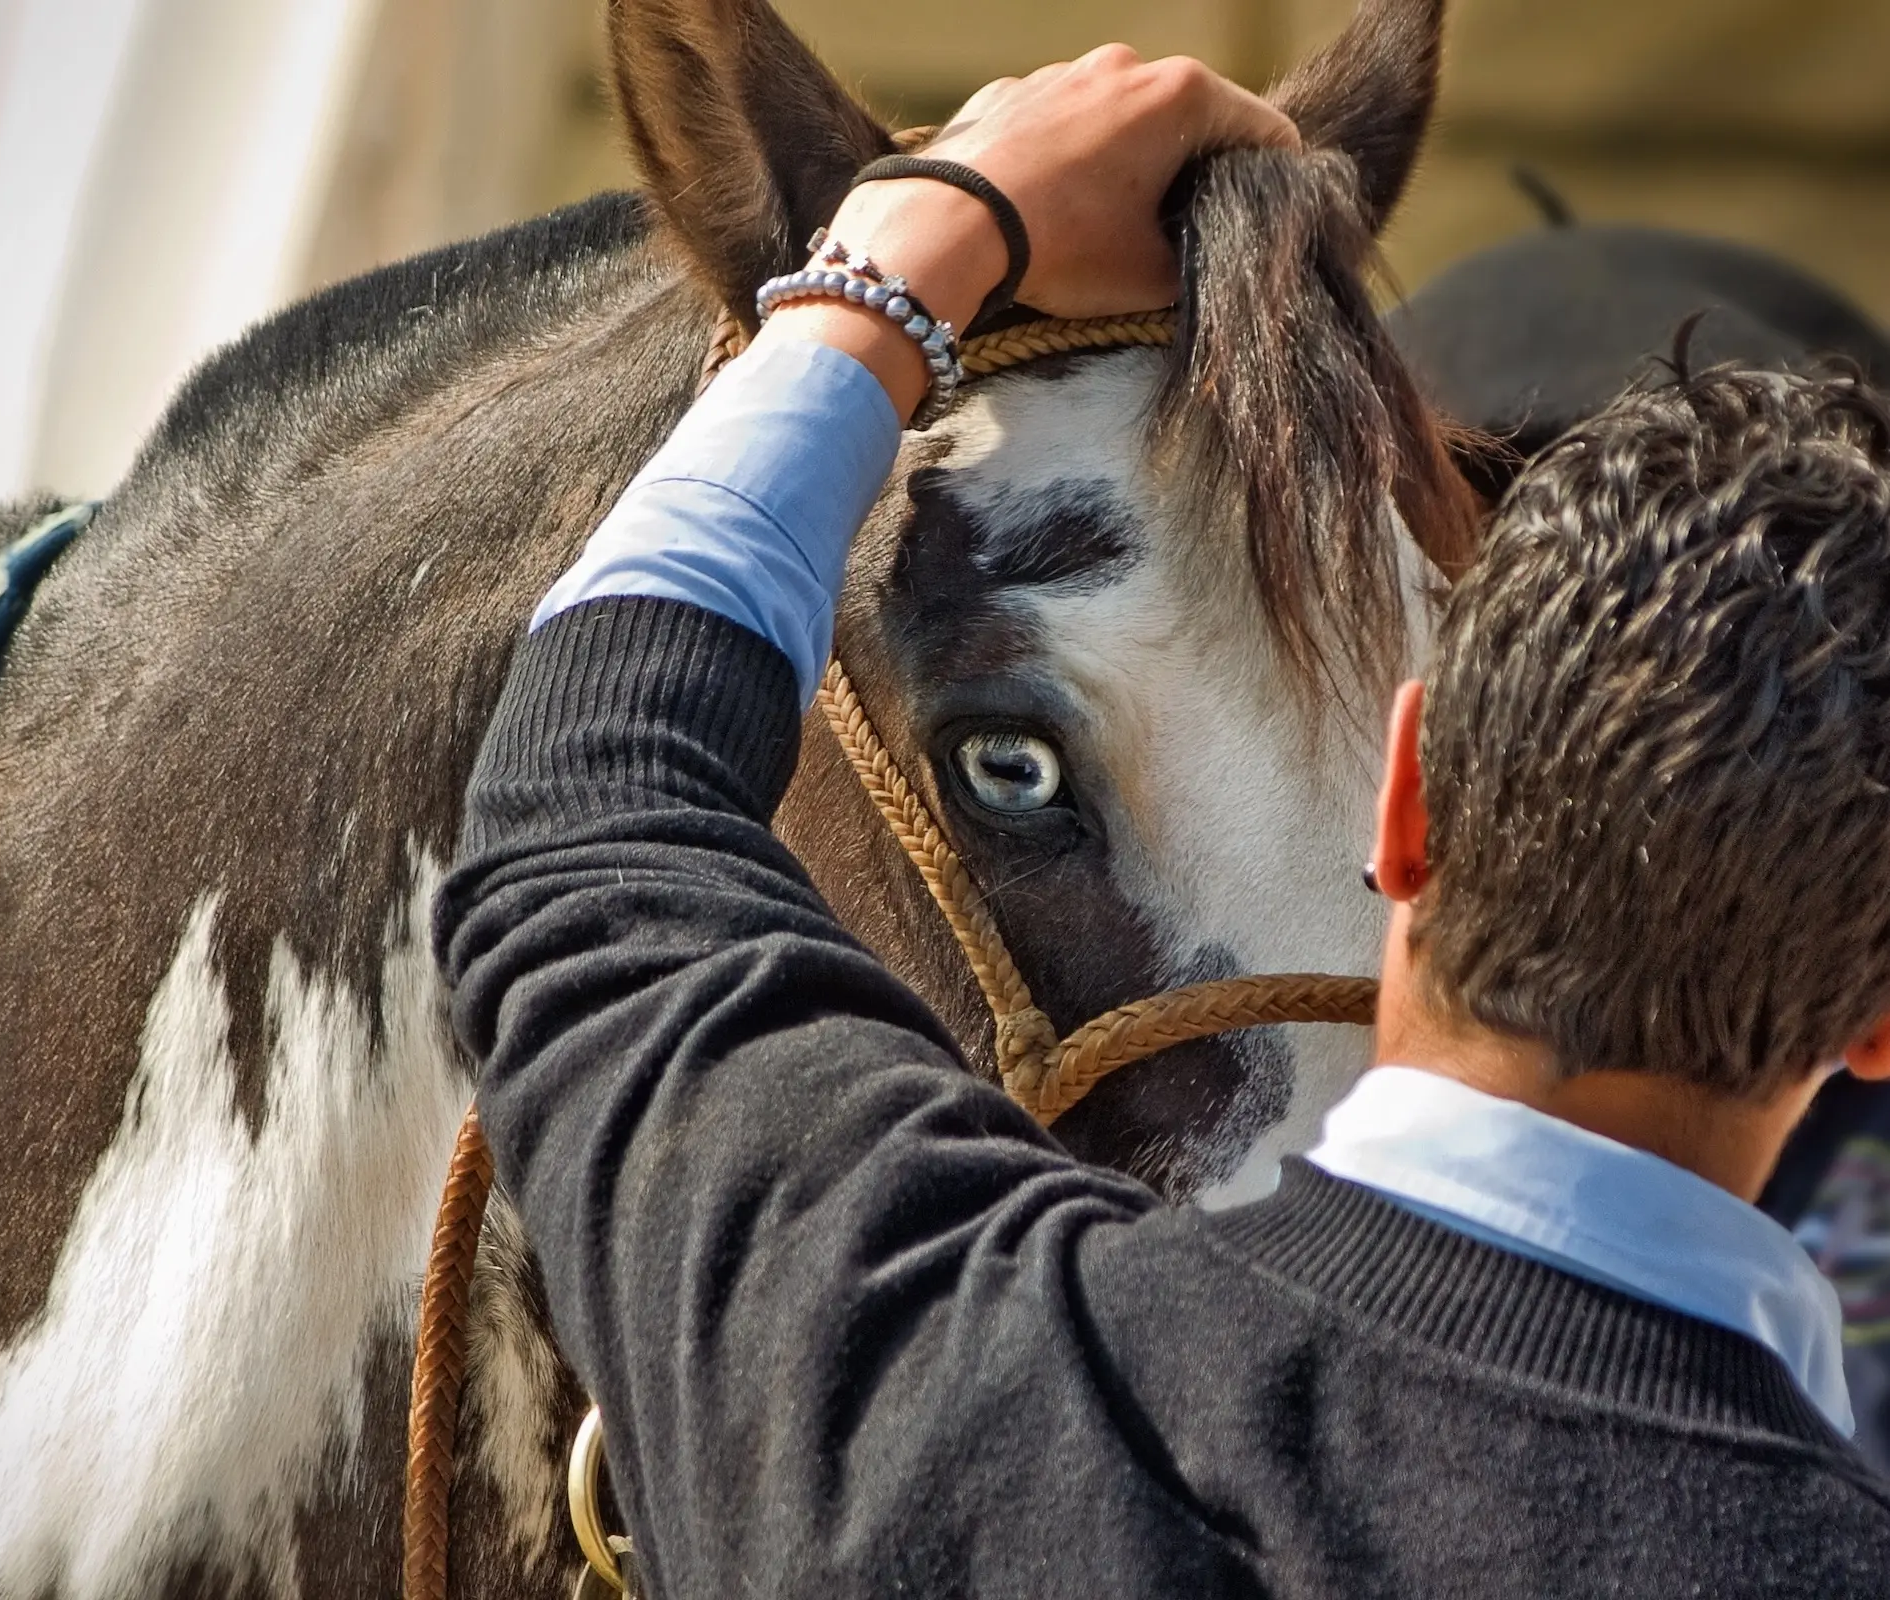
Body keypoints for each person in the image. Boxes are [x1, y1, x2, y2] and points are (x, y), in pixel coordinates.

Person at [434, 44, 1890, 1598]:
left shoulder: (957, 1400)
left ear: (1404, 799)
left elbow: (579, 821)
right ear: (1878, 1026)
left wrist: (914, 249)